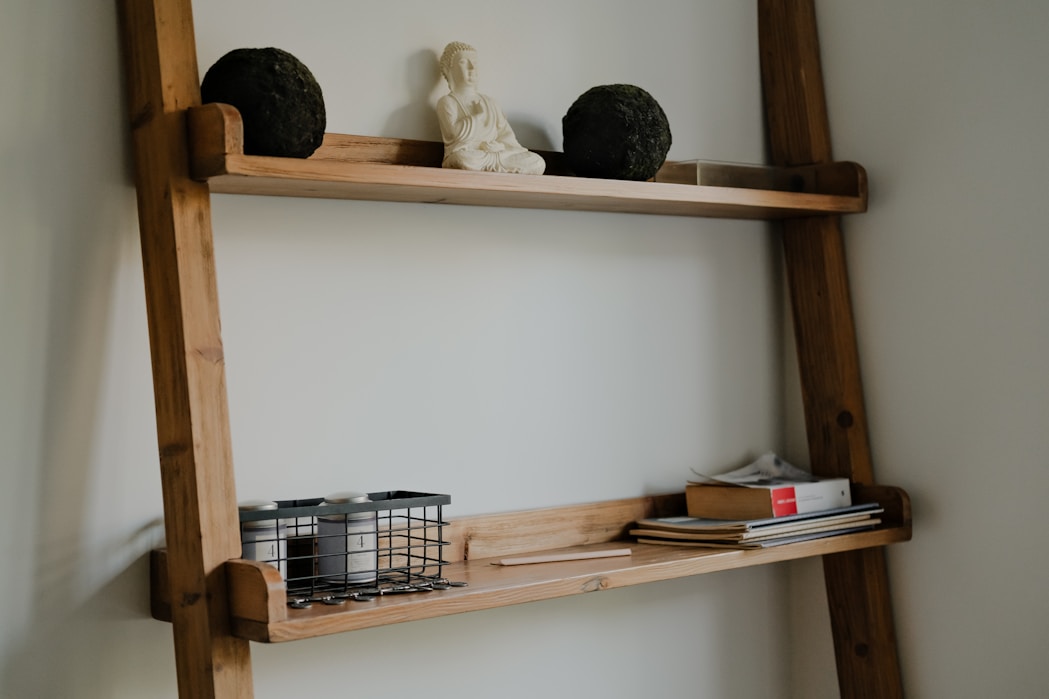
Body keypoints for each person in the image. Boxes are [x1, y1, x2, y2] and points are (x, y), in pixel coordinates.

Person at [436, 41, 545, 175]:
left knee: (537, 161)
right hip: (472, 155)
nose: (471, 67)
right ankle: (494, 168)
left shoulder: (490, 102)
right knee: (461, 159)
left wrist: (500, 148)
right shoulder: (447, 102)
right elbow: (455, 135)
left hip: (498, 155)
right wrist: (477, 116)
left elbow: (506, 134)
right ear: (449, 69)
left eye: (474, 62)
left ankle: (495, 167)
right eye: (464, 62)